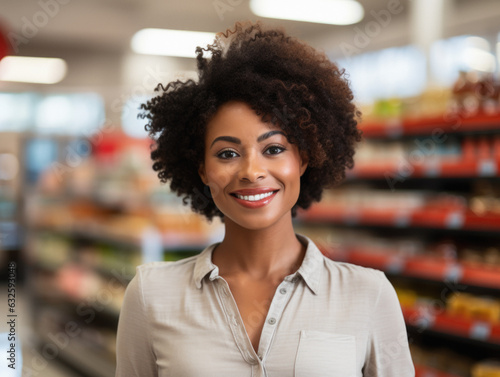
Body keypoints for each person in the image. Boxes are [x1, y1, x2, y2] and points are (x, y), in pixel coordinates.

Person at [115, 20, 415, 377]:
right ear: (201, 168)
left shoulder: (368, 295)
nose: (251, 172)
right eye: (227, 154)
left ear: (304, 158)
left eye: (273, 149)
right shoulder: (151, 296)